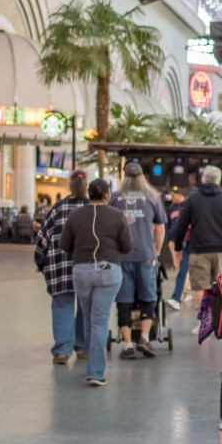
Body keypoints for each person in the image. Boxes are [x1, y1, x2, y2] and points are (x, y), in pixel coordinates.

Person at [59, 179, 130, 387]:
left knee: (89, 319)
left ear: (89, 194)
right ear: (107, 194)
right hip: (108, 271)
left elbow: (64, 244)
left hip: (81, 270)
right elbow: (127, 246)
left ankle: (92, 365)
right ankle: (95, 372)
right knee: (99, 321)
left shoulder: (75, 215)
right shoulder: (117, 216)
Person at [166, 167, 222, 300]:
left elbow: (181, 225)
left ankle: (205, 320)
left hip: (199, 250)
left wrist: (178, 247)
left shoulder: (193, 199)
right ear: (219, 180)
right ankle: (217, 318)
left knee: (201, 287)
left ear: (203, 179)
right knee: (218, 286)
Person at [111, 162, 167, 359]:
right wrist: (156, 250)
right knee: (149, 297)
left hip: (122, 256)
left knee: (123, 300)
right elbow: (160, 228)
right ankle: (144, 337)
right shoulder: (152, 197)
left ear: (124, 177)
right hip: (146, 256)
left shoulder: (115, 198)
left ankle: (127, 344)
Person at [34, 172, 90, 365]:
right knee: (85, 307)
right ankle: (82, 347)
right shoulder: (94, 208)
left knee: (62, 305)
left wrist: (40, 262)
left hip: (59, 267)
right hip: (87, 266)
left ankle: (62, 350)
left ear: (70, 186)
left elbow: (42, 238)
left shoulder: (58, 209)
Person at [164, 190, 189, 310]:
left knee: (183, 270)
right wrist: (169, 237)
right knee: (179, 268)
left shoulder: (188, 205)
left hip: (186, 242)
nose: (171, 198)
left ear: (181, 195)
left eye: (173, 196)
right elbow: (169, 223)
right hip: (174, 240)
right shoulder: (172, 207)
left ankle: (181, 294)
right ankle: (180, 295)